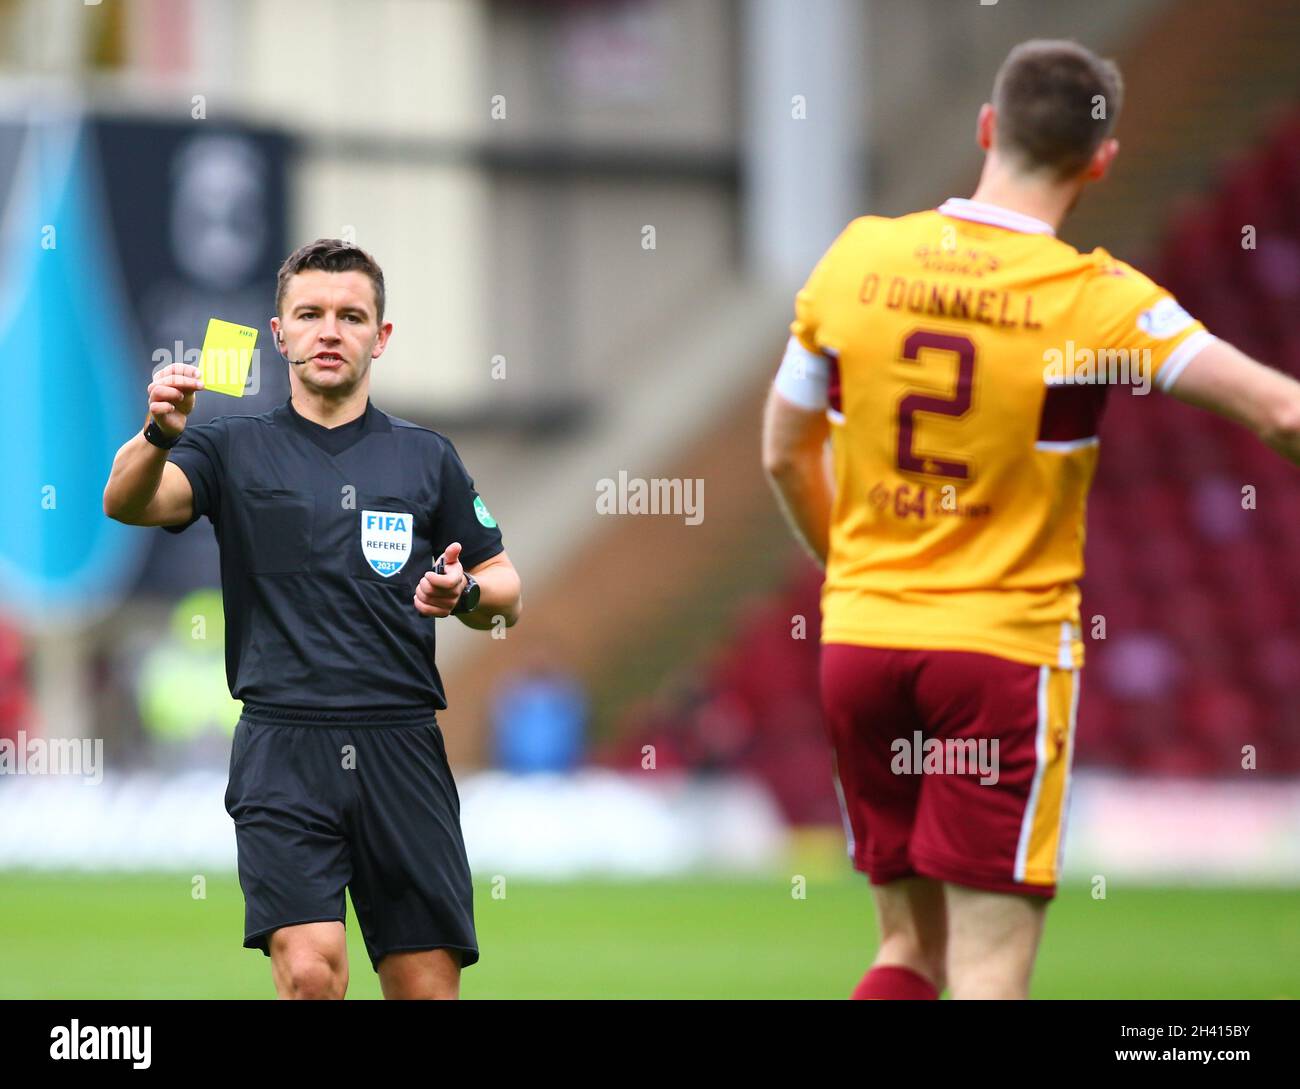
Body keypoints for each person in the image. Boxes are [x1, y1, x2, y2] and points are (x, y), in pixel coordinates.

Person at [761, 40, 1300, 1000]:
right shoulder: (1097, 302)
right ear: (1102, 160)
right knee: (990, 972)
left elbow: (782, 450)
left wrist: (853, 570)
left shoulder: (859, 255)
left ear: (986, 128)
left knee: (905, 955)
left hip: (862, 643)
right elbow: (1281, 409)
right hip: (998, 658)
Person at [104, 239, 523, 999]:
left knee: (425, 989)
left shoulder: (426, 457)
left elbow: (507, 590)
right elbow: (129, 501)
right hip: (282, 745)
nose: (330, 330)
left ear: (380, 336)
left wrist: (462, 594)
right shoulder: (229, 447)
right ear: (279, 333)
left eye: (351, 315)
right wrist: (161, 429)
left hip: (401, 743)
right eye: (311, 314)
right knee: (309, 972)